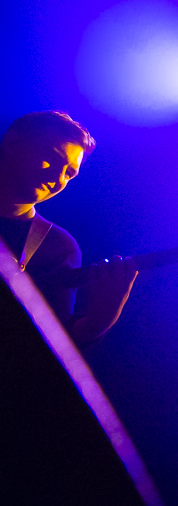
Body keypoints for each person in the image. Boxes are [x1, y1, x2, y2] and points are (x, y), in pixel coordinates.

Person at [0, 111, 138, 344]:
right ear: (12, 143)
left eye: (69, 173)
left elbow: (46, 344)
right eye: (51, 158)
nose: (58, 176)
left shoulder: (58, 246)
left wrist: (98, 322)